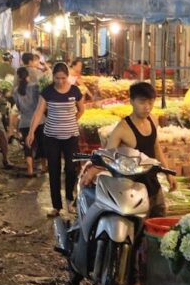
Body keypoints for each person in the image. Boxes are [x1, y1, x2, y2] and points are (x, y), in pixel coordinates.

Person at [99, 81, 176, 210]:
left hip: (153, 184)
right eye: (142, 102)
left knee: (158, 217)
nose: (147, 107)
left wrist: (169, 173)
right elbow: (107, 157)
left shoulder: (153, 119)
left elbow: (156, 148)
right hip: (132, 191)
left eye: (150, 102)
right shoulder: (122, 128)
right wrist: (92, 171)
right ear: (131, 101)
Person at [27, 63, 84, 217]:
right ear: (53, 77)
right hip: (51, 137)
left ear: (68, 77)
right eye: (57, 78)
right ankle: (56, 206)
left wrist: (73, 120)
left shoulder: (74, 90)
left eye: (63, 78)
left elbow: (81, 109)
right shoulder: (47, 92)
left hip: (71, 137)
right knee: (54, 170)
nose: (60, 81)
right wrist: (31, 132)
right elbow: (38, 112)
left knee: (71, 169)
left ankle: (70, 200)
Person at [12, 66, 41, 176]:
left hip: (24, 121)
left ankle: (30, 169)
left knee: (27, 145)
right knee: (40, 144)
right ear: (28, 76)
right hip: (38, 121)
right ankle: (44, 166)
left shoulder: (15, 90)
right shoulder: (35, 87)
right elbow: (40, 104)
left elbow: (18, 107)